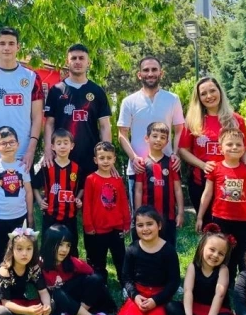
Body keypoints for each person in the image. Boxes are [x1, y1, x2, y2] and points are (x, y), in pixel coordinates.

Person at [0, 26, 44, 288]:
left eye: (11, 43)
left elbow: (37, 116)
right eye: (1, 43)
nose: (6, 47)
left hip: (22, 156)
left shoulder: (31, 78)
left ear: (18, 47)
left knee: (23, 211)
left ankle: (24, 266)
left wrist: (31, 148)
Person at [178, 76, 246, 219]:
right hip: (201, 182)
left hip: (231, 181)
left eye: (212, 91)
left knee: (229, 223)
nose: (209, 96)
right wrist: (203, 165)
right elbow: (183, 150)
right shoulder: (193, 121)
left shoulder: (236, 120)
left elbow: (245, 149)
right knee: (207, 225)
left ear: (220, 91)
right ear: (198, 98)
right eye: (203, 94)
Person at [118, 56, 184, 212]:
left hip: (166, 168)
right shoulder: (129, 101)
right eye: (146, 70)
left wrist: (175, 154)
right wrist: (134, 158)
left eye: (154, 70)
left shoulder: (172, 99)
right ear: (139, 74)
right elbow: (122, 134)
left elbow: (179, 130)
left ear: (161, 73)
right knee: (140, 218)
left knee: (166, 217)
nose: (150, 73)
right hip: (138, 170)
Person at [195, 128, 246, 284]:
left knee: (242, 256)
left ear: (244, 148)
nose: (234, 147)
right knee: (222, 253)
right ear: (221, 148)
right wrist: (200, 217)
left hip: (242, 222)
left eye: (238, 144)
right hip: (220, 220)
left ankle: (243, 285)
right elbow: (207, 194)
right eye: (229, 144)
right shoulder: (215, 169)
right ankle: (221, 285)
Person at [43, 43, 112, 182]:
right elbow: (49, 124)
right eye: (73, 58)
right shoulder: (56, 90)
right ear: (67, 62)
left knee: (89, 195)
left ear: (88, 62)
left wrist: (106, 155)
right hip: (63, 156)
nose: (77, 61)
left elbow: (105, 126)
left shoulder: (97, 91)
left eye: (81, 58)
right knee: (64, 195)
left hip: (90, 156)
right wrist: (48, 150)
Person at [0, 225, 62, 315]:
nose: (24, 253)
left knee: (52, 304)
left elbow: (43, 291)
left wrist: (46, 306)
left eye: (29, 249)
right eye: (19, 249)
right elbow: (6, 303)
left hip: (22, 302)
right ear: (12, 249)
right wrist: (28, 311)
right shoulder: (5, 270)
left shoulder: (34, 267)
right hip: (3, 304)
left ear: (34, 250)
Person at [166, 223, 234, 315]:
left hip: (216, 312)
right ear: (202, 247)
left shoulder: (223, 270)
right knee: (170, 306)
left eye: (221, 253)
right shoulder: (193, 267)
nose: (215, 255)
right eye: (212, 250)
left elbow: (219, 295)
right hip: (194, 308)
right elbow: (188, 291)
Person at [40, 224, 118, 315]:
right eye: (60, 245)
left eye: (68, 245)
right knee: (58, 293)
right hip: (58, 302)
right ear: (49, 243)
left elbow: (95, 280)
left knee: (96, 278)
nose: (64, 250)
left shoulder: (73, 262)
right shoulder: (39, 264)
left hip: (77, 302)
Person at [117, 206, 180, 315]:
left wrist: (156, 300)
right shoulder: (132, 249)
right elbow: (126, 277)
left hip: (160, 297)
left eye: (149, 224)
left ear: (159, 225)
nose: (145, 229)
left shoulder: (169, 251)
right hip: (139, 296)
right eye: (140, 225)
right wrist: (135, 296)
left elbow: (174, 282)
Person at [0, 126, 33, 285]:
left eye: (12, 142)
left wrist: (30, 215)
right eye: (3, 143)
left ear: (18, 144)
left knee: (19, 252)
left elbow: (29, 192)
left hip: (19, 218)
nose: (8, 146)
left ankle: (18, 283)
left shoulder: (23, 167)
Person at [82, 142, 131, 287]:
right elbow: (87, 204)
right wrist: (88, 225)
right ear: (95, 160)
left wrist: (126, 223)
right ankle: (100, 284)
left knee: (120, 258)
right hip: (98, 230)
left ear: (114, 159)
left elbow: (123, 201)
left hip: (116, 228)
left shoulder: (118, 180)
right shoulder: (91, 179)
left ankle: (125, 284)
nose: (105, 161)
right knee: (98, 259)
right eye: (102, 158)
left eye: (109, 158)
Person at [134, 122, 185, 246]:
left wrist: (180, 213)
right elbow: (138, 191)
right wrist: (137, 214)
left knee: (168, 247)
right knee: (148, 246)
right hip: (147, 217)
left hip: (168, 216)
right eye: (155, 136)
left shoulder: (172, 163)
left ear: (167, 142)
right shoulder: (142, 164)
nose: (158, 140)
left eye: (162, 137)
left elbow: (178, 189)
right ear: (147, 138)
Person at [32, 129, 82, 256]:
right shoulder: (47, 167)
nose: (62, 146)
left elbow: (82, 187)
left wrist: (78, 198)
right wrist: (39, 201)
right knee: (48, 246)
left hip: (70, 216)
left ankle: (70, 266)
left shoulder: (76, 168)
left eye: (66, 143)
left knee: (71, 246)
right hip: (51, 215)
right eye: (59, 143)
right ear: (53, 147)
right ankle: (47, 267)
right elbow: (34, 185)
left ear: (72, 146)